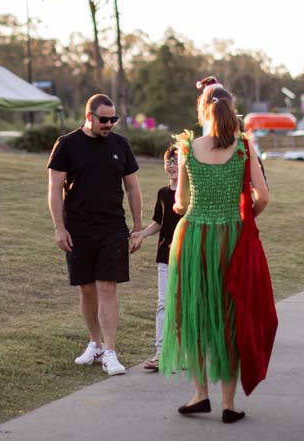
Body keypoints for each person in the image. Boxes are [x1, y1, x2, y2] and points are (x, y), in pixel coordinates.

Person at [160, 82, 274, 424]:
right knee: (230, 317)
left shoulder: (187, 147)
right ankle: (228, 404)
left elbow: (180, 201)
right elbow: (263, 196)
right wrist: (245, 217)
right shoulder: (243, 148)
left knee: (193, 313)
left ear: (202, 109)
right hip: (232, 238)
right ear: (231, 109)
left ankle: (200, 395)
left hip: (194, 236)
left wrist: (185, 206)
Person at [47, 93, 143, 377]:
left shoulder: (120, 145)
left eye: (114, 119)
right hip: (78, 229)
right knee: (86, 288)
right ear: (89, 116)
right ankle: (95, 344)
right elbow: (54, 189)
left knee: (107, 287)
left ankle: (110, 352)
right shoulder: (67, 144)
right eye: (104, 119)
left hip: (112, 228)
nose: (109, 124)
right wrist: (59, 227)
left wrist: (138, 226)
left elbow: (133, 188)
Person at [128, 145, 182, 372]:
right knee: (163, 304)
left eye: (176, 161)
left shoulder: (193, 193)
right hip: (165, 256)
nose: (171, 165)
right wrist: (141, 234)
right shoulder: (163, 193)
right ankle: (160, 353)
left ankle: (183, 353)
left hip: (188, 256)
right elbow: (159, 222)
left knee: (184, 304)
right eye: (168, 161)